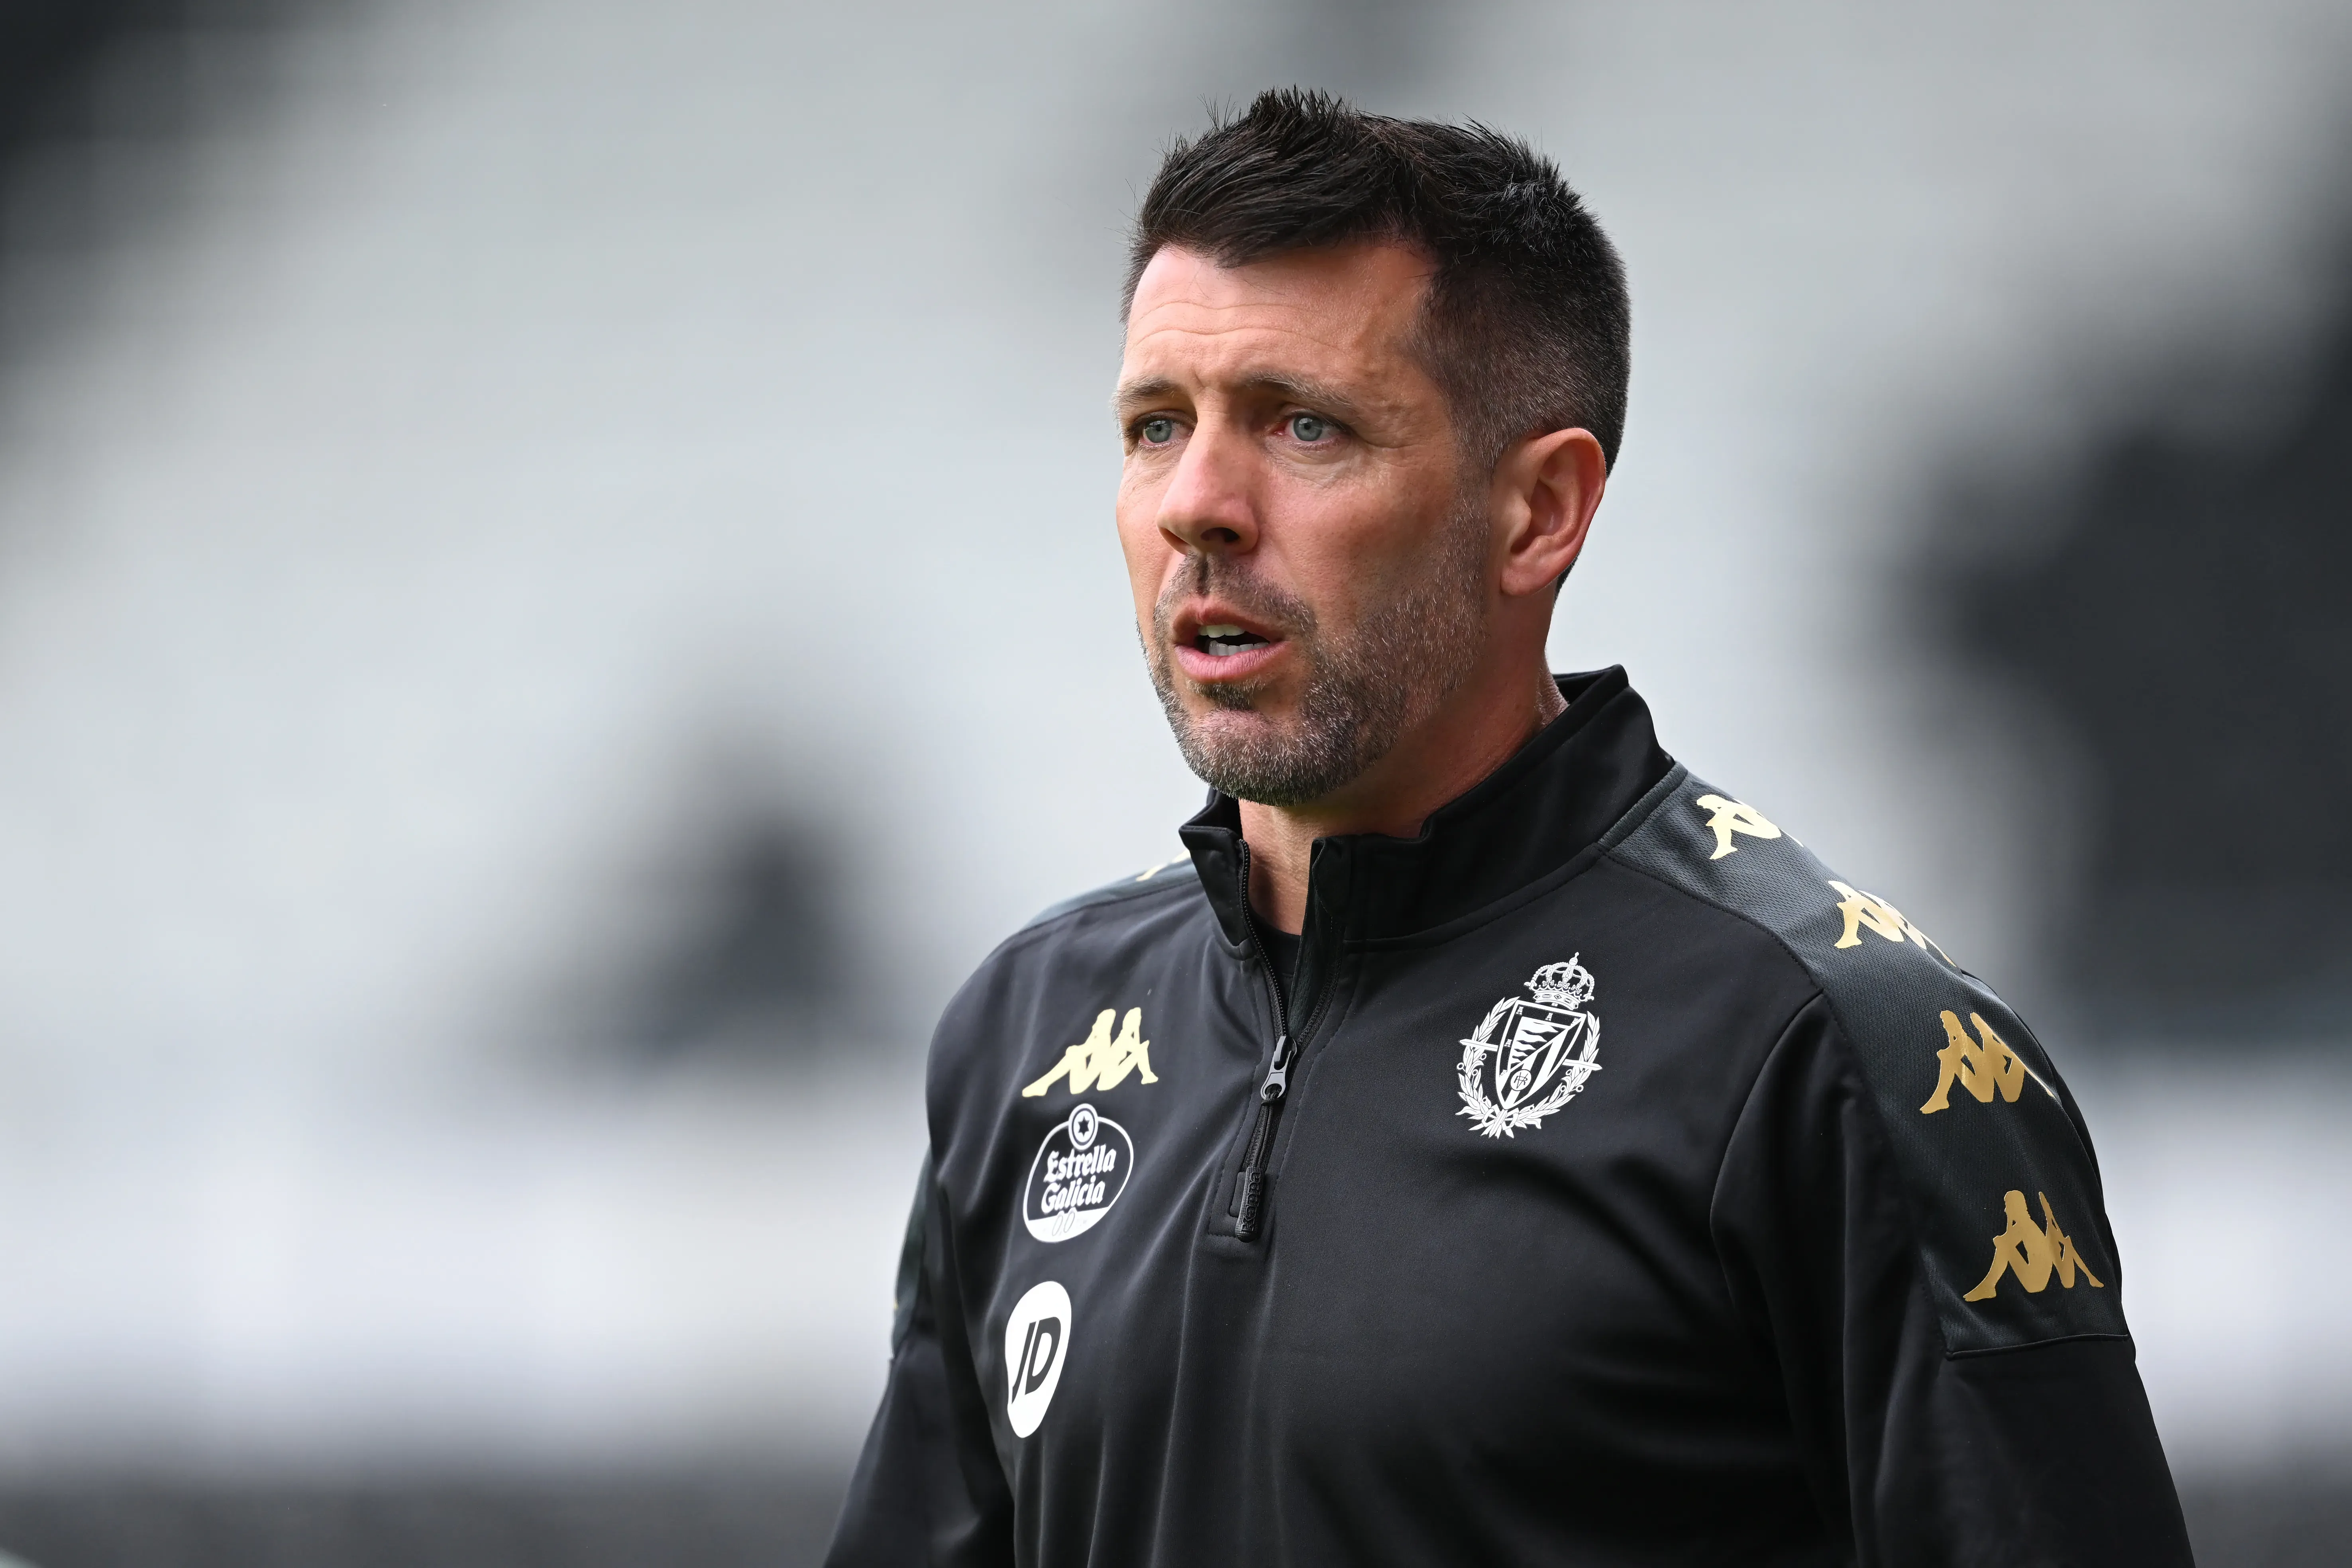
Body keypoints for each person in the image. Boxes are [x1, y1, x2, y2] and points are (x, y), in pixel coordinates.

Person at [825, 88, 2191, 1567]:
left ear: (1539, 511)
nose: (1196, 505)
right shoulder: (1028, 1027)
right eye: (1157, 425)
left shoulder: (1836, 1052)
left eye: (1303, 424)